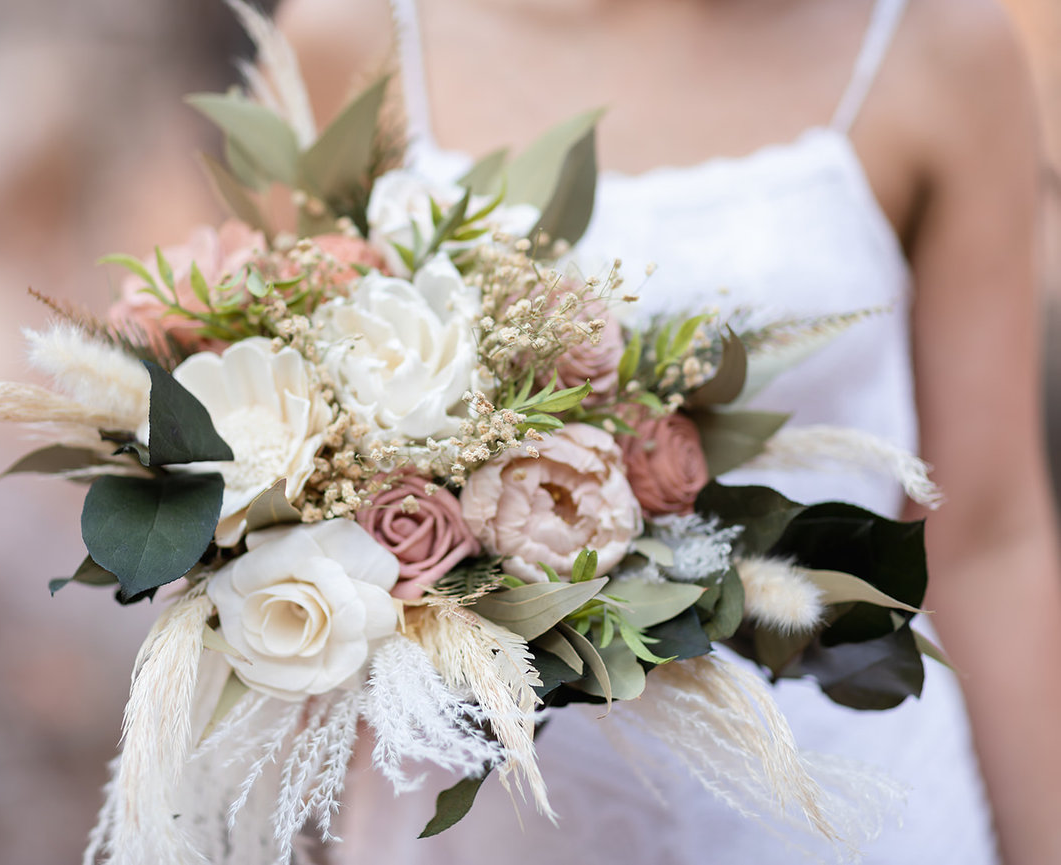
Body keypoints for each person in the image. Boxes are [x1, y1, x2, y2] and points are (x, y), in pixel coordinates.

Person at [275, 0, 1061, 862]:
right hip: (474, 817)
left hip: (835, 807)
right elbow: (296, 500)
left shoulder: (940, 42)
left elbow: (987, 535)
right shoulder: (350, 35)